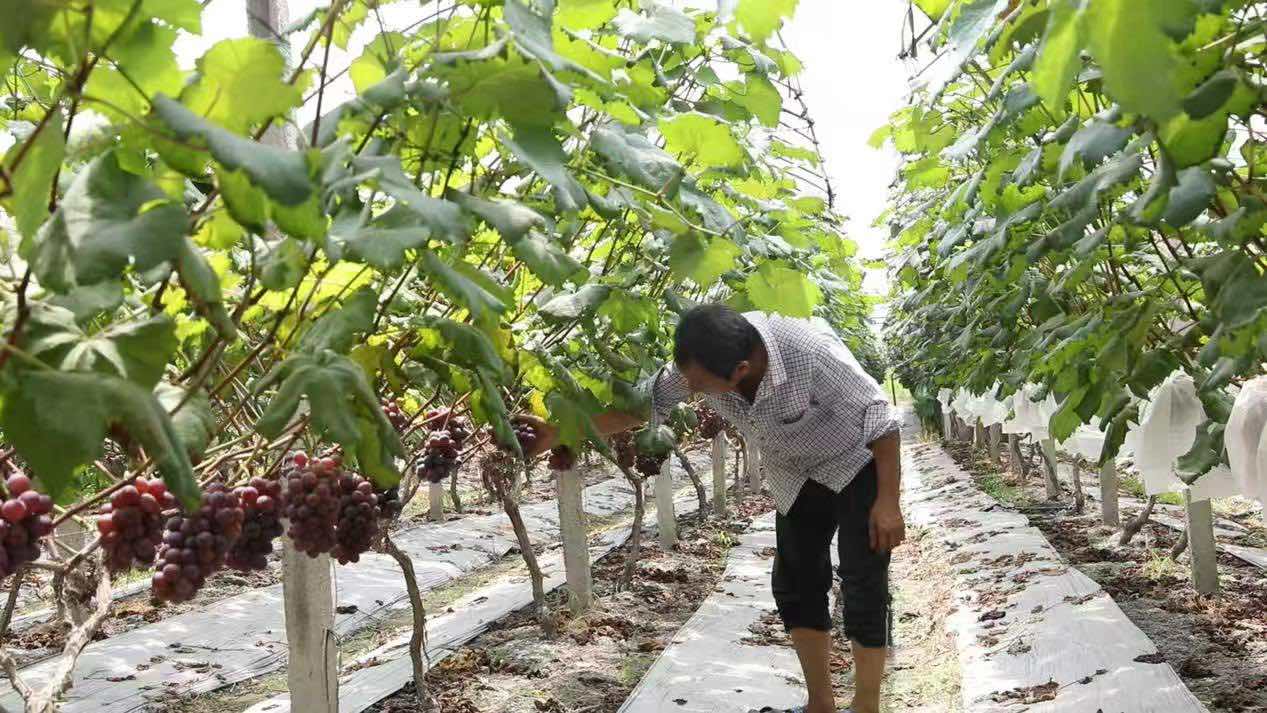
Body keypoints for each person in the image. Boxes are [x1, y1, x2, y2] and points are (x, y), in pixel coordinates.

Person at [518, 303, 904, 713]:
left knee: (863, 580)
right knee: (797, 582)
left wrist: (888, 502)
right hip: (794, 474)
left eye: (700, 387)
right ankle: (820, 705)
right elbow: (640, 407)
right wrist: (557, 434)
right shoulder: (702, 366)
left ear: (740, 370)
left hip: (856, 463)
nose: (692, 390)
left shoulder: (807, 351)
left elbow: (880, 416)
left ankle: (866, 706)